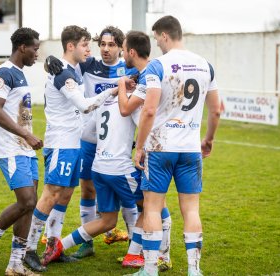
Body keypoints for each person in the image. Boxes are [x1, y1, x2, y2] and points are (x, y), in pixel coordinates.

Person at [23, 25, 119, 272]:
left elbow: (56, 64)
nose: (90, 49)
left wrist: (50, 59)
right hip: (61, 143)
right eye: (85, 44)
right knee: (51, 194)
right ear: (71, 46)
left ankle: (52, 248)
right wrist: (112, 90)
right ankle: (28, 250)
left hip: (73, 143)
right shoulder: (64, 73)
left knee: (65, 195)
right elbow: (85, 105)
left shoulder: (72, 68)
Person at [131, 16, 220, 276]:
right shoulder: (206, 66)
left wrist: (139, 146)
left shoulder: (157, 66)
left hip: (160, 148)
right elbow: (215, 111)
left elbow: (148, 111)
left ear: (165, 35)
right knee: (191, 209)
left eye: (157, 37)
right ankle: (194, 270)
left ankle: (149, 270)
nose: (156, 43)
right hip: (191, 148)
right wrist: (209, 139)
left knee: (152, 207)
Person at [43, 26, 139, 260]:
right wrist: (50, 59)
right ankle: (87, 244)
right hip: (87, 140)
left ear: (121, 46)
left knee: (127, 195)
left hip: (118, 144)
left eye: (111, 45)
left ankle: (135, 245)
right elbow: (64, 64)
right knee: (86, 189)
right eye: (102, 45)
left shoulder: (129, 68)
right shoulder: (89, 64)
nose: (105, 49)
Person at [0, 27, 43, 276]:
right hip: (10, 148)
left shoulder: (21, 74)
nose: (37, 53)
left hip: (24, 148)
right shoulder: (4, 73)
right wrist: (25, 134)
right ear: (22, 47)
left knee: (29, 205)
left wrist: (27, 137)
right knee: (26, 200)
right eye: (35, 48)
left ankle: (16, 263)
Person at [116, 31, 173, 272]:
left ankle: (162, 256)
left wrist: (121, 86)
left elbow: (125, 109)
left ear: (131, 52)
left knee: (155, 205)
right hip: (163, 144)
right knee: (152, 203)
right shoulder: (151, 71)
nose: (120, 54)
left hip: (153, 147)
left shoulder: (148, 74)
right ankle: (147, 254)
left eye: (123, 49)